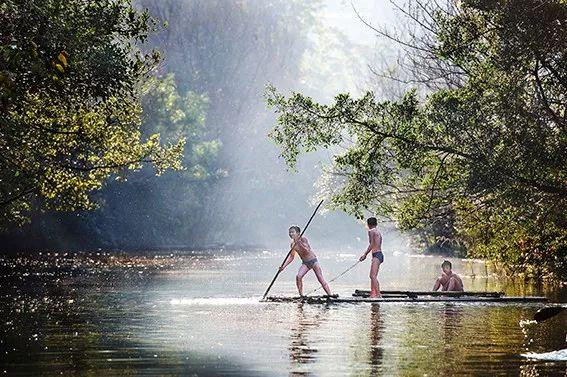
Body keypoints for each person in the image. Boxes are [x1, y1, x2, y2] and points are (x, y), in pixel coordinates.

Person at [279, 226, 332, 296]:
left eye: (292, 232)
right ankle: (301, 295)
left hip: (313, 261)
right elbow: (291, 257)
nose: (291, 234)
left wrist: (299, 243)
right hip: (305, 263)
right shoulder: (292, 245)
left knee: (320, 278)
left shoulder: (303, 239)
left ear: (298, 233)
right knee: (298, 276)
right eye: (290, 232)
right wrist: (283, 266)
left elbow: (307, 249)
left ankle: (329, 294)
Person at [359, 217, 383, 298]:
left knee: (372, 276)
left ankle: (378, 295)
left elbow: (372, 244)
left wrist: (365, 255)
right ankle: (373, 294)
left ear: (368, 225)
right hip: (379, 255)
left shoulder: (371, 231)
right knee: (373, 276)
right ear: (376, 224)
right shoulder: (377, 231)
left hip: (377, 255)